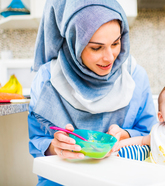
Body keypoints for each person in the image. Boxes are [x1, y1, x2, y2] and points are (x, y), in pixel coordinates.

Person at [28, 0, 157, 185]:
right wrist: (55, 147)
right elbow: (37, 141)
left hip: (122, 178)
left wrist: (125, 136)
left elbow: (150, 134)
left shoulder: (135, 76)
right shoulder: (47, 78)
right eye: (96, 47)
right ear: (74, 42)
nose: (110, 57)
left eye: (115, 43)